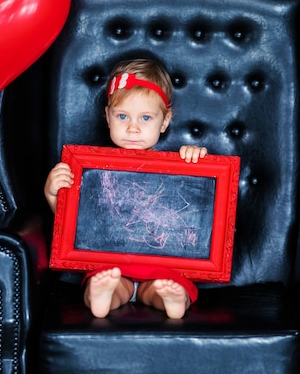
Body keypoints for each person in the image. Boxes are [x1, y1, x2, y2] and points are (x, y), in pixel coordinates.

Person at [44, 59, 207, 319]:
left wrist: (197, 159)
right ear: (107, 116)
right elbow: (74, 223)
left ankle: (170, 300)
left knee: (166, 284)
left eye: (146, 118)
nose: (133, 128)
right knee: (102, 278)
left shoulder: (179, 167)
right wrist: (54, 194)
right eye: (122, 116)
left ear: (165, 121)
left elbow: (200, 203)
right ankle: (103, 297)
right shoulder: (92, 172)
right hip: (112, 263)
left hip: (161, 264)